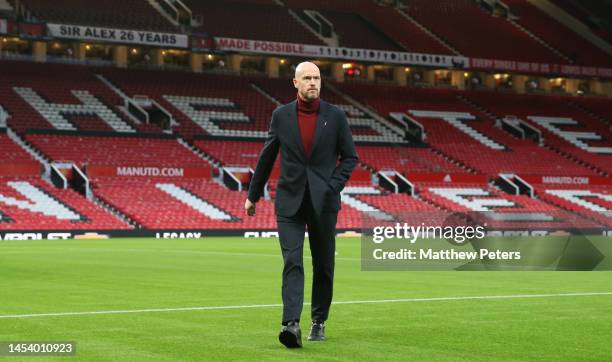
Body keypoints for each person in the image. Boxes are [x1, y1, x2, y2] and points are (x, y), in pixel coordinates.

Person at [245, 61, 357, 348]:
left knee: (324, 265)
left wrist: (333, 187)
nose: (313, 83)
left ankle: (318, 321)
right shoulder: (281, 116)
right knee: (292, 261)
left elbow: (350, 157)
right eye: (307, 78)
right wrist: (253, 195)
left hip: (324, 202)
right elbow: (267, 156)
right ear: (295, 82)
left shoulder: (336, 116)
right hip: (289, 201)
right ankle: (291, 324)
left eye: (316, 78)